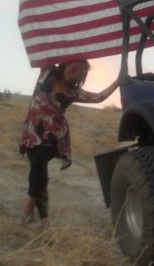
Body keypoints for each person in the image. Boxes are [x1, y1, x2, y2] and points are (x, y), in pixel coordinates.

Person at [18, 59, 119, 228]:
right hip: (33, 128)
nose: (76, 73)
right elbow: (46, 52)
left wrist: (118, 81)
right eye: (75, 68)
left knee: (38, 161)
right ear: (65, 64)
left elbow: (99, 97)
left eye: (81, 73)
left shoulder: (73, 92)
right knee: (38, 170)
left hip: (54, 133)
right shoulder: (47, 72)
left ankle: (29, 206)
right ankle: (44, 220)